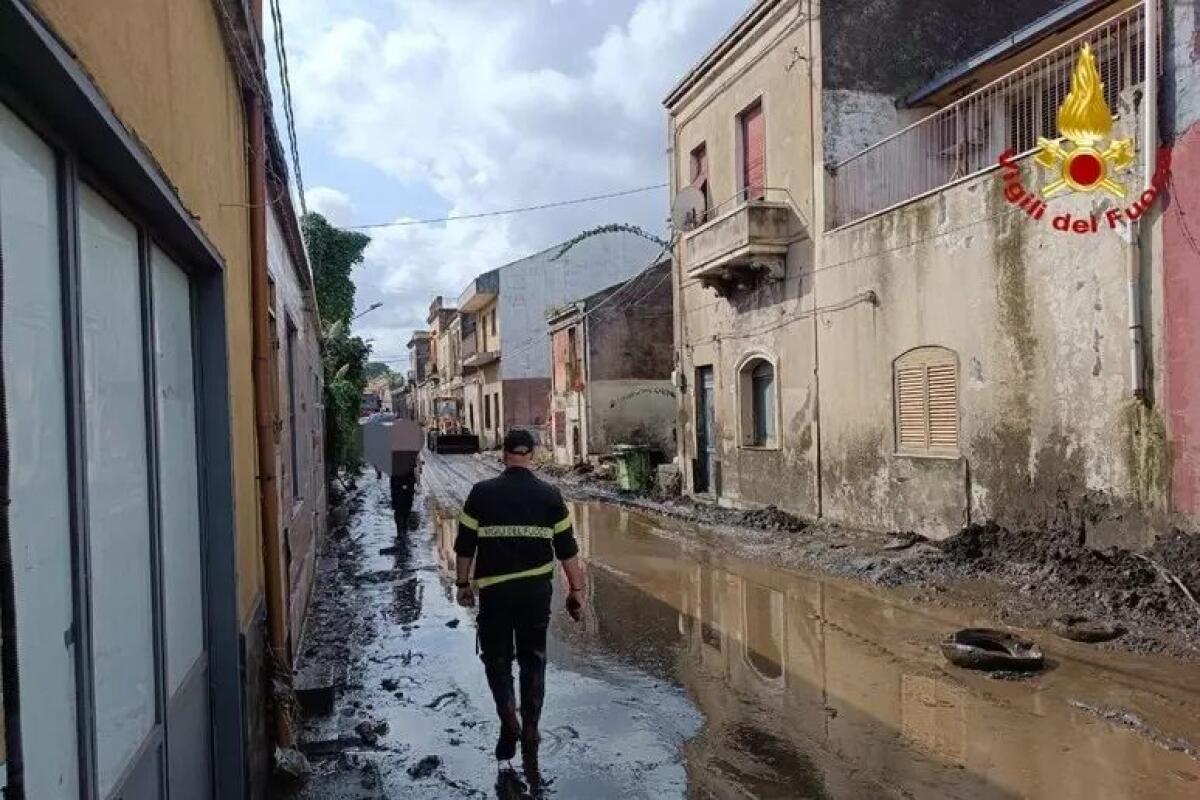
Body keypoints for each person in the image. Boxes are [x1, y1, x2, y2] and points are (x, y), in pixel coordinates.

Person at [454, 428, 585, 778]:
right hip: (535, 593)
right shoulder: (550, 495)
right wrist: (576, 592)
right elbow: (568, 549)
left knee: (496, 659)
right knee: (533, 659)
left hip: (495, 594)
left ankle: (508, 717)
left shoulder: (481, 493)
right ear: (532, 455)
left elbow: (465, 543)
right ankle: (531, 728)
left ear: (505, 454)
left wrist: (463, 583)